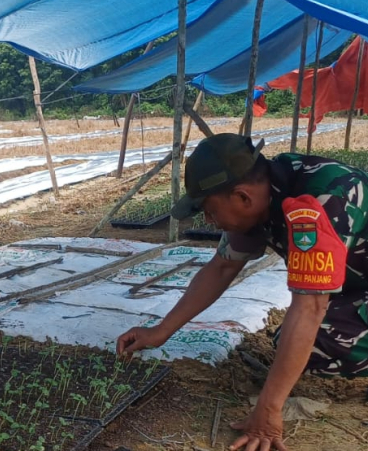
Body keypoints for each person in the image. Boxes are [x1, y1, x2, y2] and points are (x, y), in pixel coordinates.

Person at [117, 133, 368, 451]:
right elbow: (222, 266)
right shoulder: (265, 197)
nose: (209, 221)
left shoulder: (318, 201)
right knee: (298, 345)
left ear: (243, 197)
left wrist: (268, 410)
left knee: (322, 340)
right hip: (357, 284)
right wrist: (161, 331)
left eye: (209, 210)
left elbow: (310, 308)